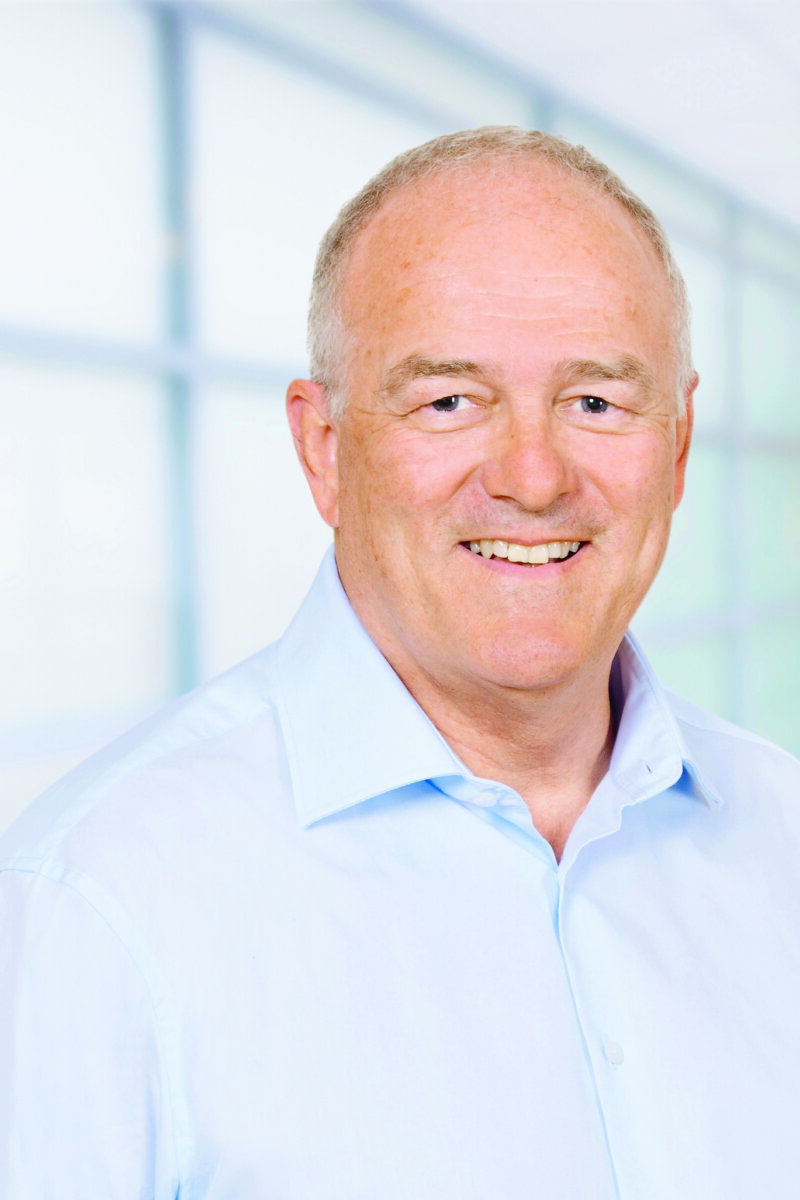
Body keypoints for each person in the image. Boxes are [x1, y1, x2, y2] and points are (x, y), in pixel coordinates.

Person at [1, 127, 799, 1199]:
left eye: (596, 402)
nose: (531, 477)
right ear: (323, 448)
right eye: (448, 401)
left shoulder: (782, 836)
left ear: (680, 443)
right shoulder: (94, 908)